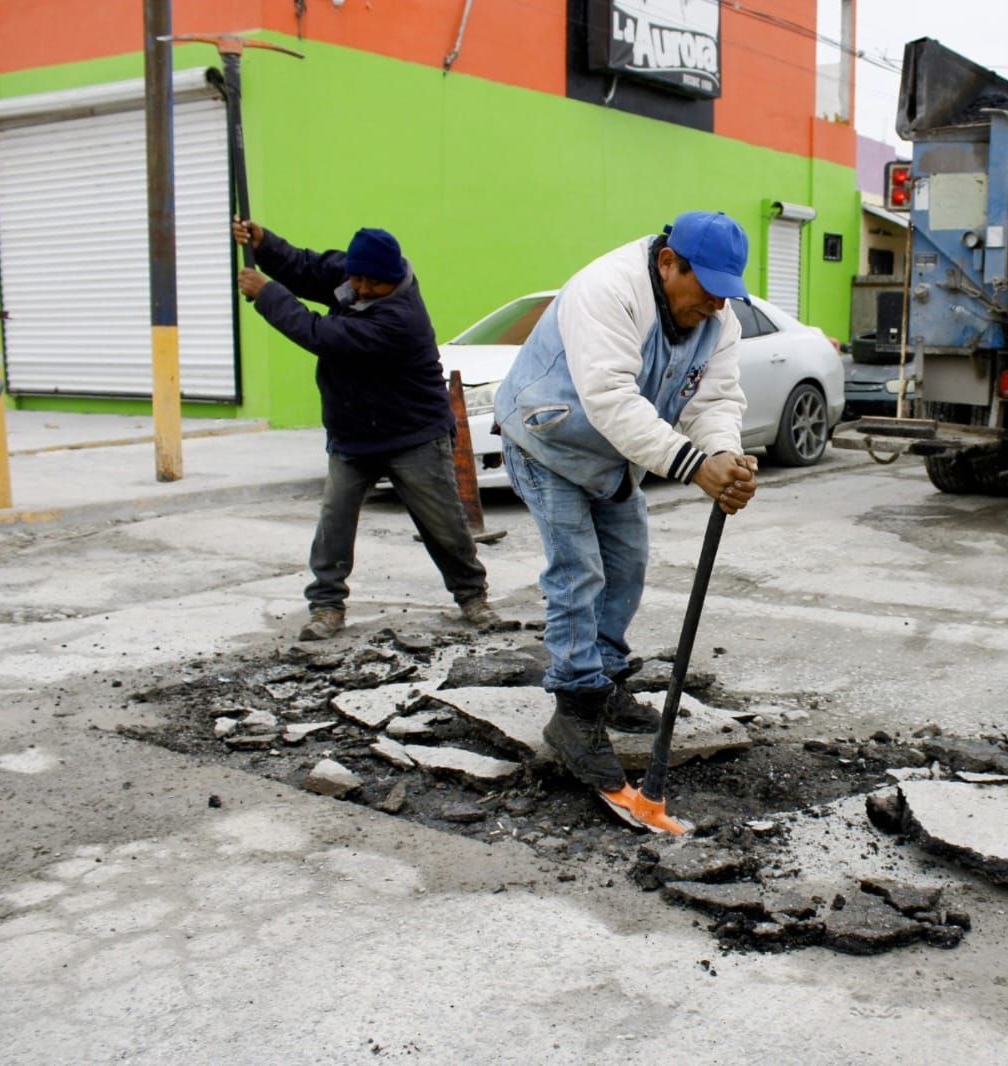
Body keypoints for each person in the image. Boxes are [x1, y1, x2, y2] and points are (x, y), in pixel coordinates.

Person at [494, 210, 758, 793]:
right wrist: (695, 466)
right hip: (546, 439)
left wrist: (725, 453)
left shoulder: (720, 319)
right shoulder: (607, 290)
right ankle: (575, 711)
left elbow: (714, 399)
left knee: (627, 565)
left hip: (613, 457)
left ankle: (606, 679)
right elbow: (609, 397)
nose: (716, 306)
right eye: (708, 290)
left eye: (725, 292)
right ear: (669, 263)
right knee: (578, 572)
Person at [233, 219, 500, 641]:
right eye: (354, 278)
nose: (359, 288)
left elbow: (320, 333)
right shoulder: (355, 275)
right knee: (334, 525)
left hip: (413, 434)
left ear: (392, 279)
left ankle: (472, 596)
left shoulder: (400, 318)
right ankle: (326, 605)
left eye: (370, 283)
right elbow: (304, 267)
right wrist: (264, 243)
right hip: (353, 433)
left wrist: (266, 294)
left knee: (444, 526)